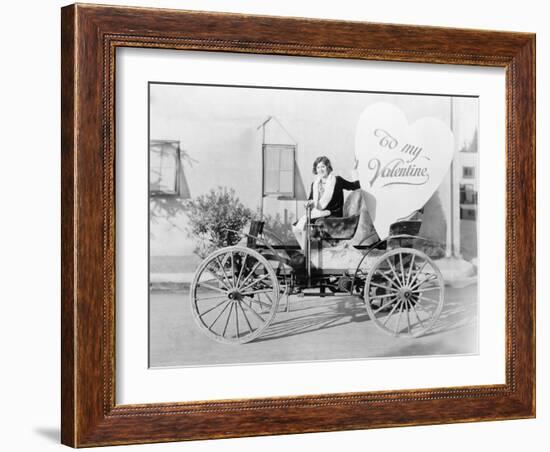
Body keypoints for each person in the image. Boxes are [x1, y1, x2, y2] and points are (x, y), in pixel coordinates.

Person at [292, 156, 361, 251]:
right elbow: (311, 199)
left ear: (328, 167)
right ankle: (305, 251)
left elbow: (354, 186)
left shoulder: (337, 180)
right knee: (296, 228)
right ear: (315, 170)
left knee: (308, 225)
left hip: (332, 214)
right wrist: (309, 203)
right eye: (318, 167)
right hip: (318, 213)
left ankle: (307, 252)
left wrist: (355, 170)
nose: (320, 170)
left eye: (323, 167)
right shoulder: (315, 184)